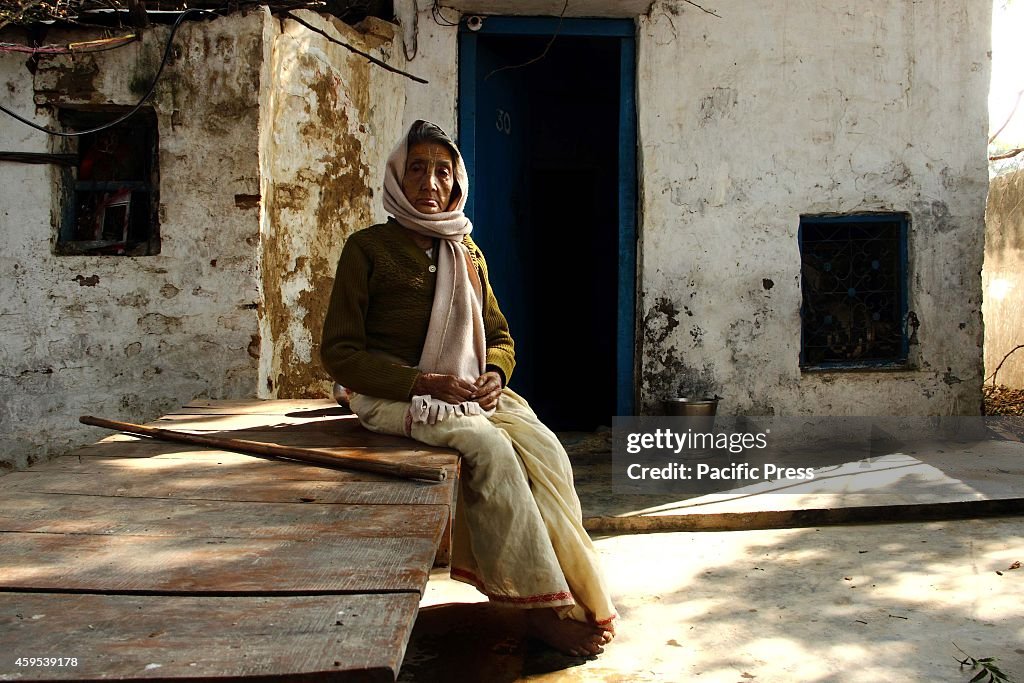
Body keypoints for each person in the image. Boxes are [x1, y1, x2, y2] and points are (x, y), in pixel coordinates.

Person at [320, 120, 616, 657]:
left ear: (457, 182)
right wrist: (422, 382)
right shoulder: (367, 249)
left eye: (442, 171)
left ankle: (574, 588)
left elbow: (499, 336)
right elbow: (340, 353)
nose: (430, 183)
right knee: (491, 450)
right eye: (417, 169)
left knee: (547, 450)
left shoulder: (468, 252)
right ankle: (531, 607)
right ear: (396, 177)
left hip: (466, 391)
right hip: (393, 394)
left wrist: (494, 375)